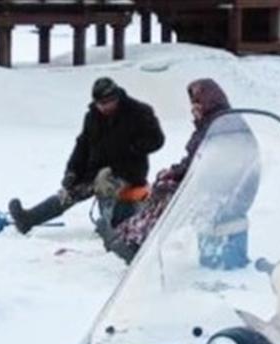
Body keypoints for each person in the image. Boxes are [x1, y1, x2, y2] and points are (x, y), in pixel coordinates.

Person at [102, 78, 258, 267]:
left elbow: (207, 165)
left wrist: (176, 178)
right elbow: (196, 161)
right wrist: (174, 172)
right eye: (193, 104)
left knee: (167, 195)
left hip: (228, 194)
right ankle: (129, 235)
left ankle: (136, 241)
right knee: (163, 186)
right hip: (224, 190)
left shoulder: (220, 125)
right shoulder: (217, 121)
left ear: (208, 101)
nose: (194, 108)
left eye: (197, 103)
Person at [7, 77, 164, 236]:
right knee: (70, 192)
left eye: (109, 102)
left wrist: (133, 147)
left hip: (127, 171)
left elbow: (157, 139)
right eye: (101, 103)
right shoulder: (92, 117)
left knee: (104, 182)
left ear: (117, 97)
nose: (105, 107)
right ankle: (28, 219)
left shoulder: (139, 112)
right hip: (94, 170)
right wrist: (72, 172)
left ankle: (112, 227)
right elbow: (82, 147)